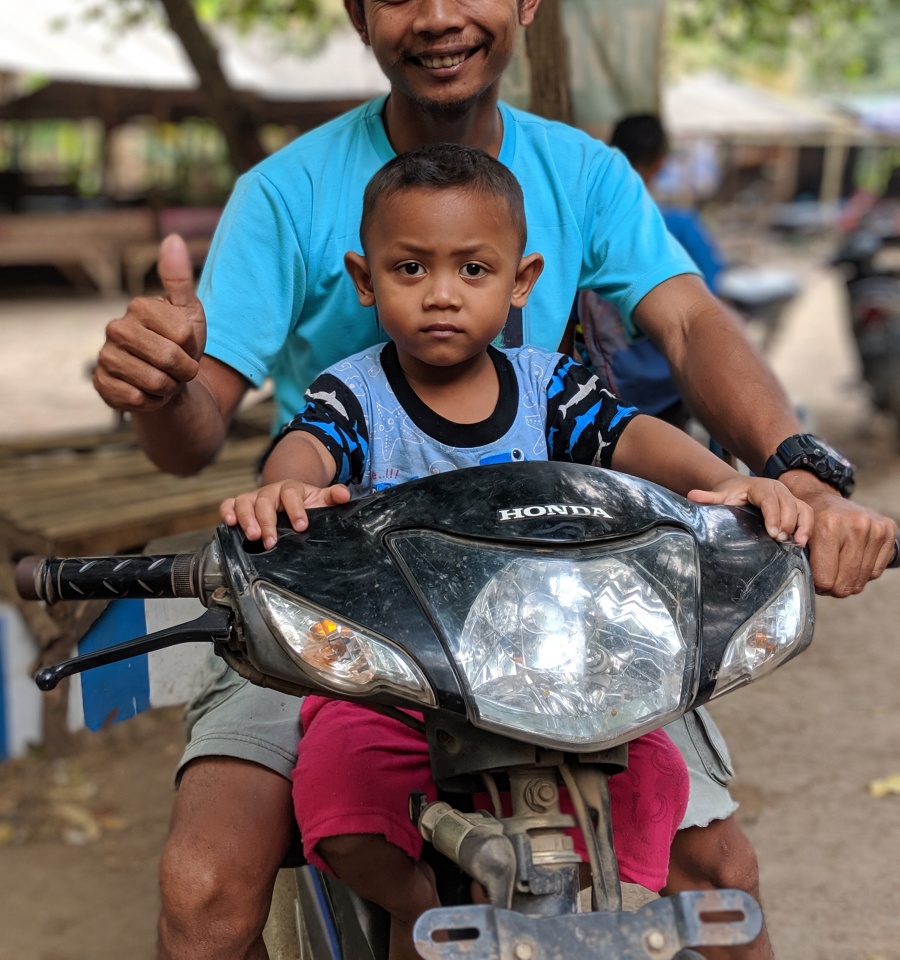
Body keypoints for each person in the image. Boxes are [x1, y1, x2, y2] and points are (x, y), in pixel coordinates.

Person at [91, 0, 895, 960]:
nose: (438, 15)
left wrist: (785, 464)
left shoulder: (587, 179)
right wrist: (164, 384)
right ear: (359, 11)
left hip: (560, 593)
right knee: (207, 887)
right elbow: (193, 439)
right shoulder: (283, 199)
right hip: (340, 605)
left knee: (721, 876)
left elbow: (690, 323)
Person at [220, 143, 813, 960]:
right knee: (338, 793)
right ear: (364, 280)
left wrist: (727, 480)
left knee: (659, 774)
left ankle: (605, 905)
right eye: (409, 269)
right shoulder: (352, 392)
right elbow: (306, 449)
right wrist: (280, 490)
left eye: (473, 270)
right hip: (396, 683)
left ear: (521, 280)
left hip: (557, 674)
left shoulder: (550, 385)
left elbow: (631, 434)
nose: (440, 294)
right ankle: (416, 907)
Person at [577, 113, 725, 426]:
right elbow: (707, 302)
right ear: (660, 162)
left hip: (595, 389)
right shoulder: (678, 226)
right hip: (664, 387)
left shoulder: (583, 225)